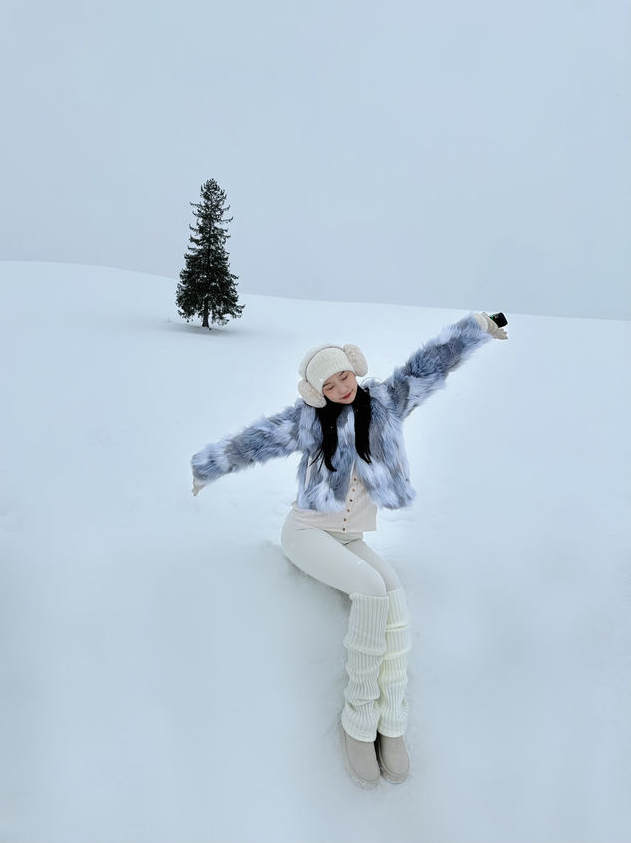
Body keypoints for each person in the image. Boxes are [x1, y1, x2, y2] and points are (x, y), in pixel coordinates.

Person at [191, 311, 508, 787]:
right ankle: (358, 725)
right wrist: (206, 466)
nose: (341, 386)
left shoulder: (387, 403)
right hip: (307, 534)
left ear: (354, 369)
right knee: (371, 590)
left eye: (344, 374)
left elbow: (430, 365)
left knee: (394, 597)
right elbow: (256, 442)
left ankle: (391, 724)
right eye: (330, 382)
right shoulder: (309, 422)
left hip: (350, 538)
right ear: (316, 390)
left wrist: (477, 327)